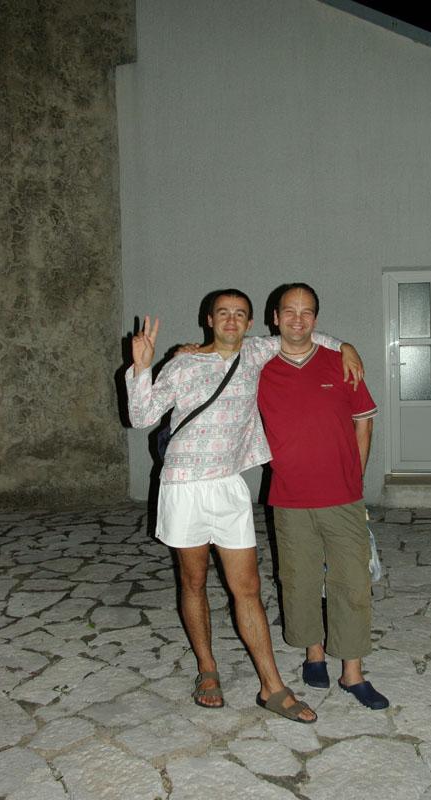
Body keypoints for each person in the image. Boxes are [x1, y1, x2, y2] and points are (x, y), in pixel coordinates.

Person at [126, 289, 362, 722]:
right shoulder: (183, 364)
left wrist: (346, 346)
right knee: (193, 581)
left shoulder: (256, 353)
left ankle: (272, 686)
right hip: (182, 485)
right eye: (223, 313)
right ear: (209, 320)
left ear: (251, 324)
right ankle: (207, 669)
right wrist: (141, 366)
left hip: (228, 488)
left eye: (240, 314)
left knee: (247, 588)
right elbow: (141, 416)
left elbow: (302, 335)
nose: (231, 321)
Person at [257, 283, 389, 710]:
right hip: (289, 496)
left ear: (316, 318)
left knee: (352, 581)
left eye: (307, 312)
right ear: (275, 317)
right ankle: (313, 653)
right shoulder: (258, 367)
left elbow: (364, 421)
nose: (298, 319)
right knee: (299, 579)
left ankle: (353, 672)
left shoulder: (340, 362)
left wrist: (355, 475)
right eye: (289, 311)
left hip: (342, 496)